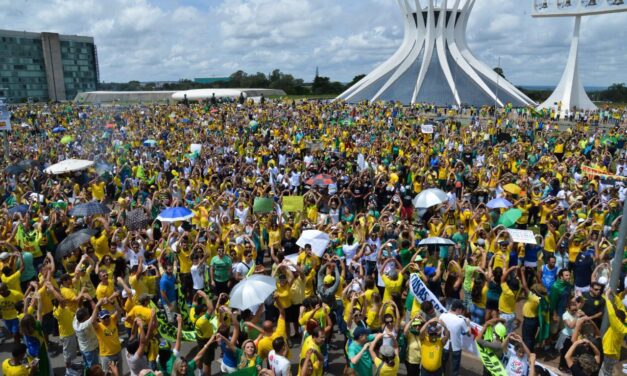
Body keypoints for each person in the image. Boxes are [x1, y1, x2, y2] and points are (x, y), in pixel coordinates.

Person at [439, 299, 470, 376]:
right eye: (461, 310)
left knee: (442, 365)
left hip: (443, 345)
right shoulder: (461, 321)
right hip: (455, 347)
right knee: (455, 369)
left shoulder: (442, 315)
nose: (461, 312)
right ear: (458, 309)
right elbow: (468, 334)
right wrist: (468, 324)